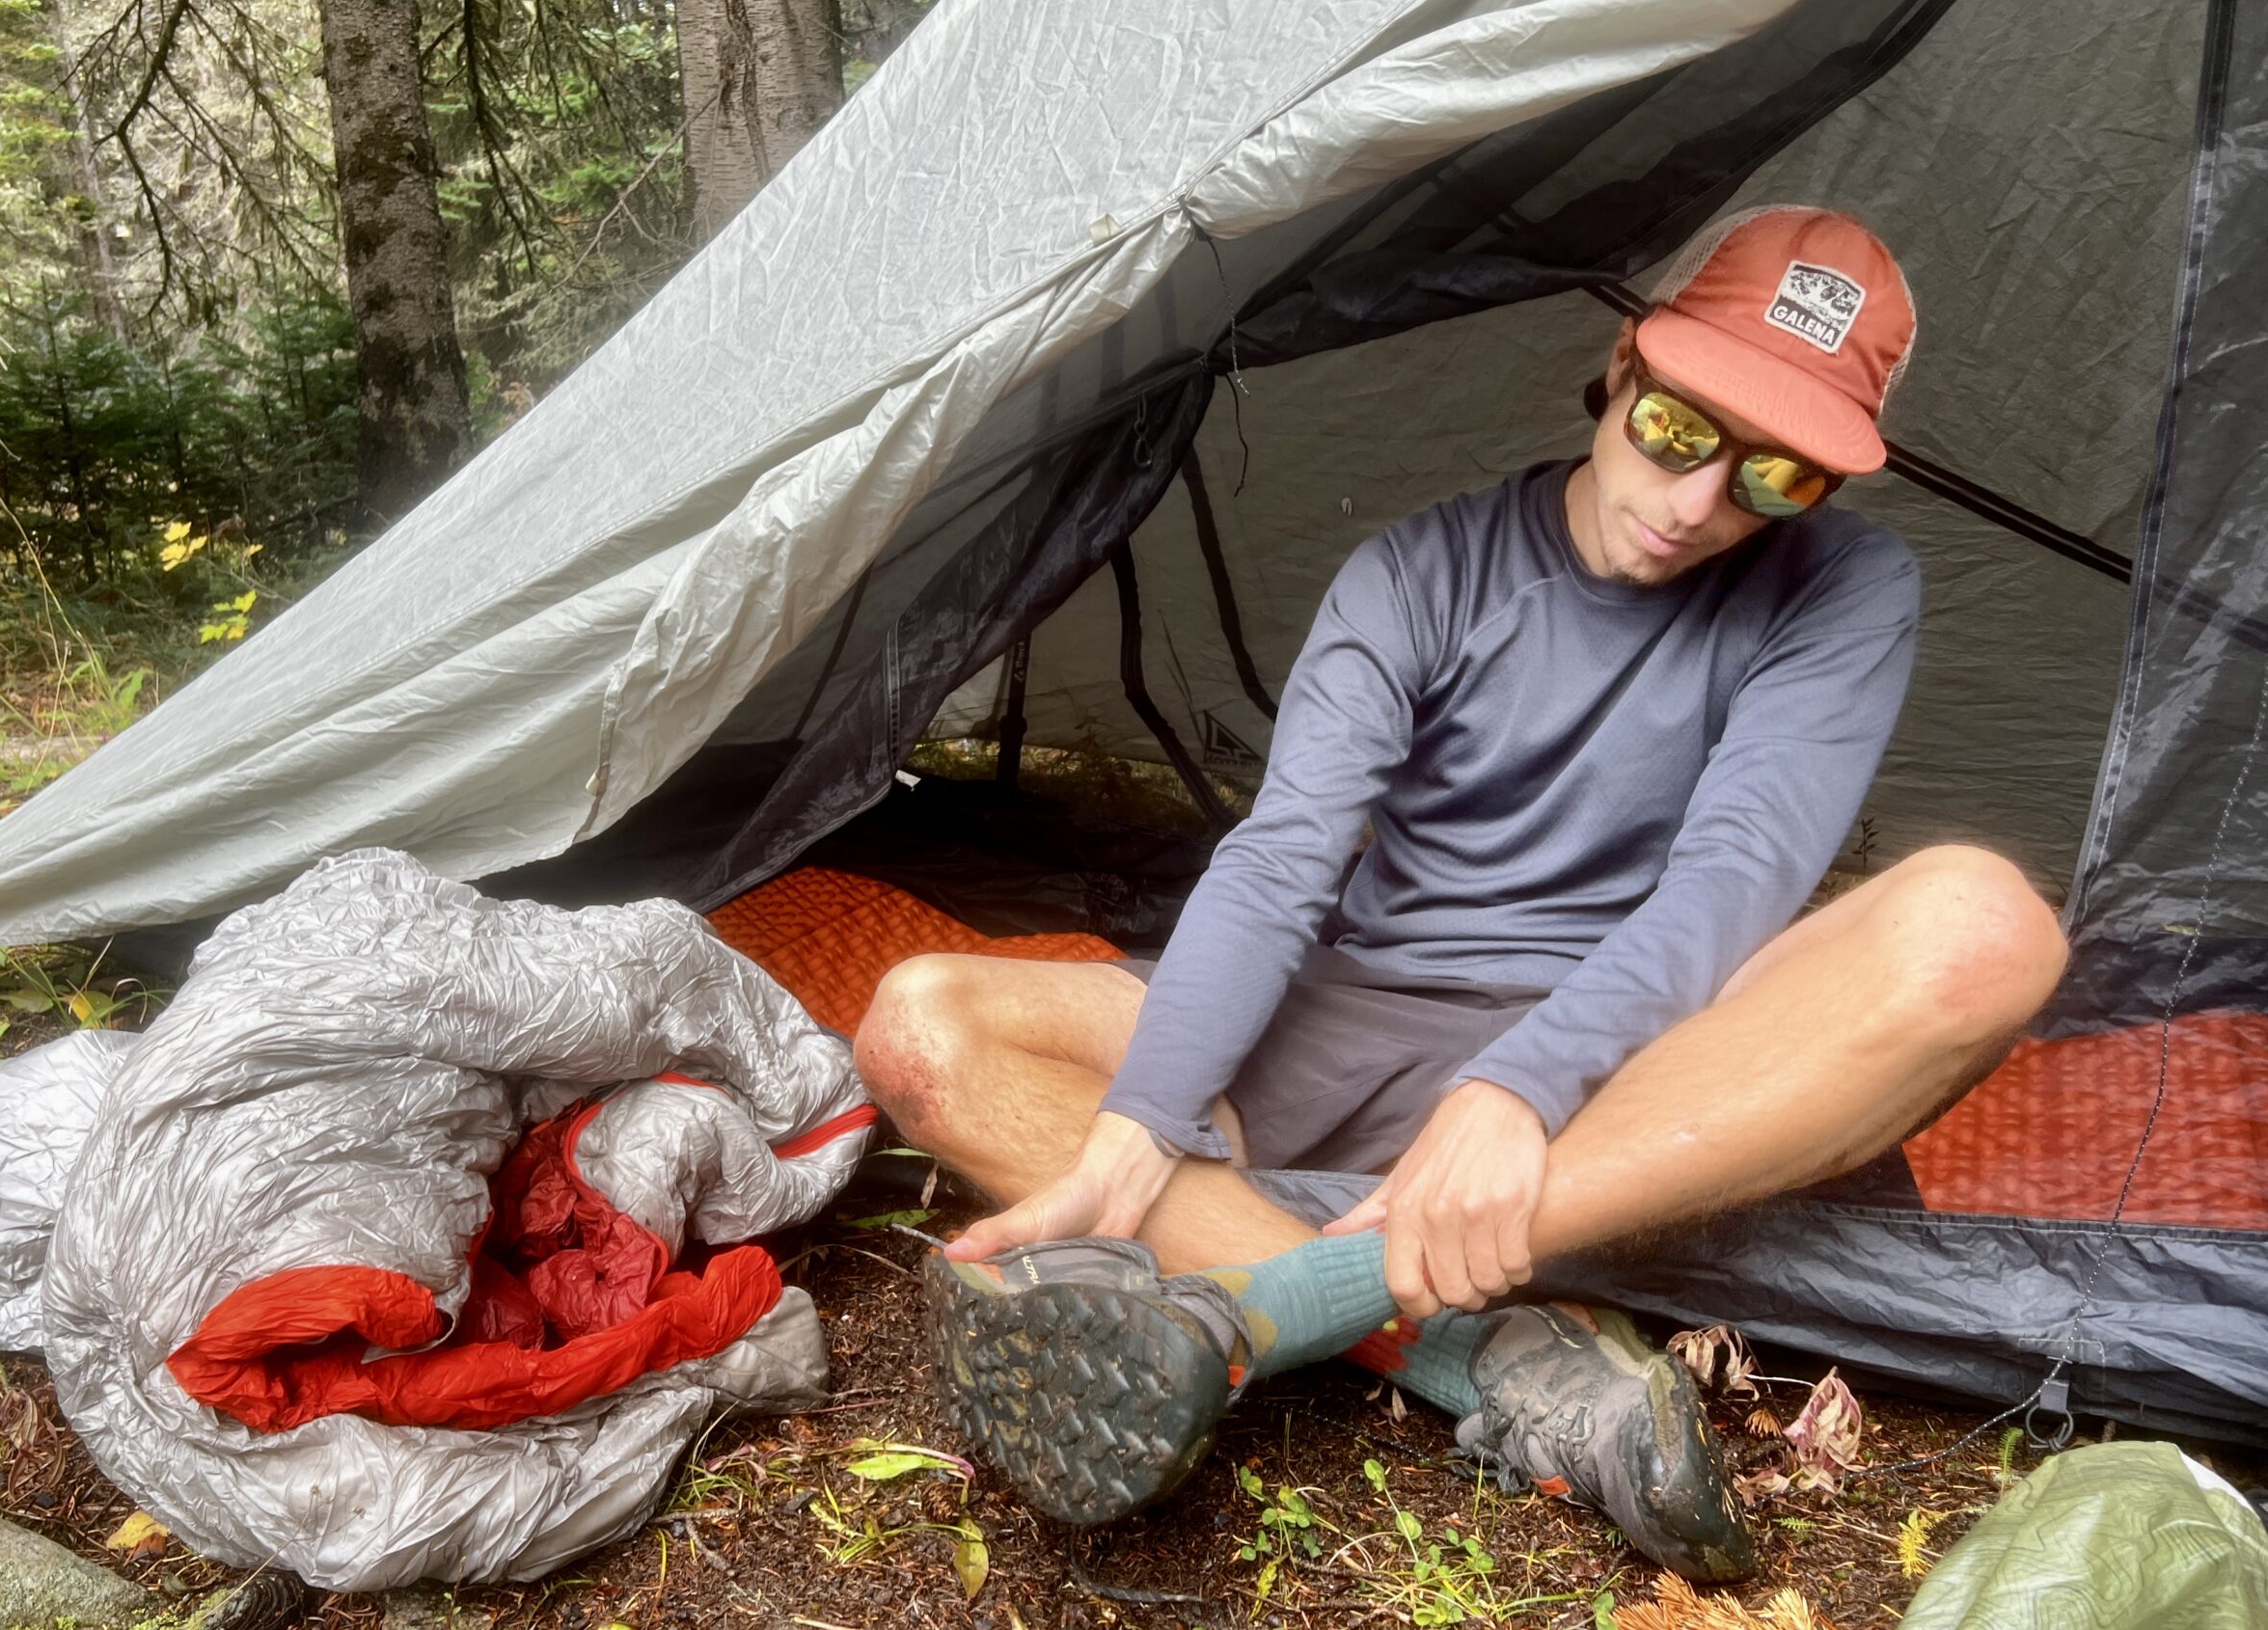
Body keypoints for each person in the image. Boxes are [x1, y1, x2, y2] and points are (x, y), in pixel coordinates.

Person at [852, 206, 2067, 1582]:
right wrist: (1144, 1120)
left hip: (1640, 1053)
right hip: (1362, 1016)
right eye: (1678, 432)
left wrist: (1521, 1086)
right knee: (923, 1023)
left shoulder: (1848, 587)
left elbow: (1736, 877)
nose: (1693, 502)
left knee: (1985, 924)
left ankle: (1277, 1297)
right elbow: (1284, 855)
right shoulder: (1420, 575)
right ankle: (1498, 1356)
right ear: (1622, 369)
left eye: (1773, 477)